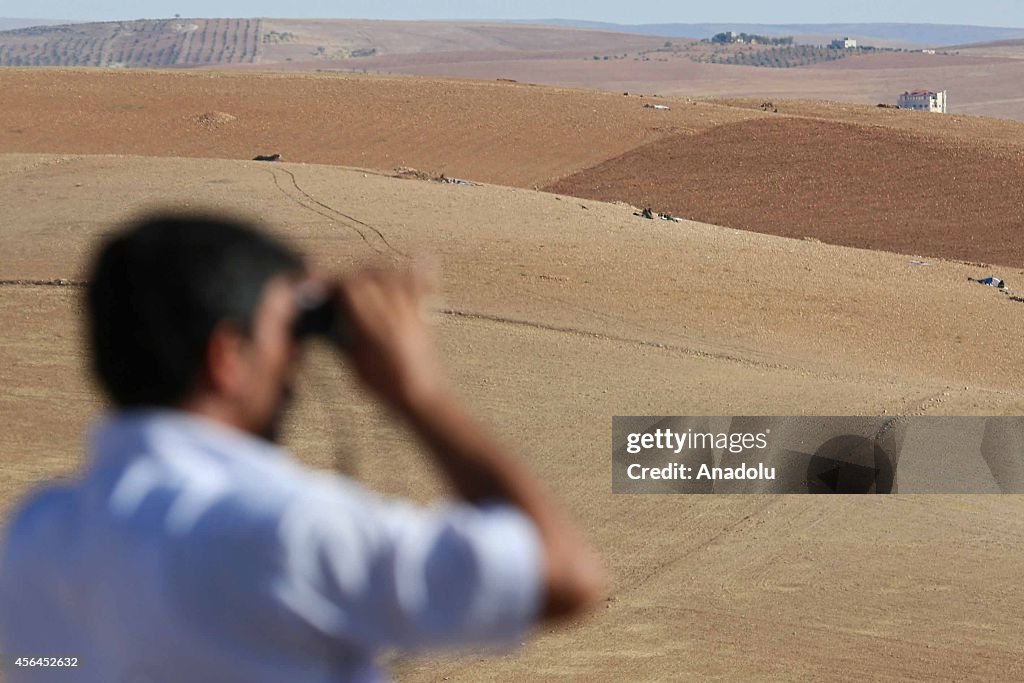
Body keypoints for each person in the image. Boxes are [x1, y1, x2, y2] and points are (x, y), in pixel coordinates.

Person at [0, 212, 605, 682]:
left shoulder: (35, 538)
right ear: (225, 358)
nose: (293, 366)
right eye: (285, 337)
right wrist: (418, 393)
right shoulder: (285, 533)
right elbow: (564, 576)